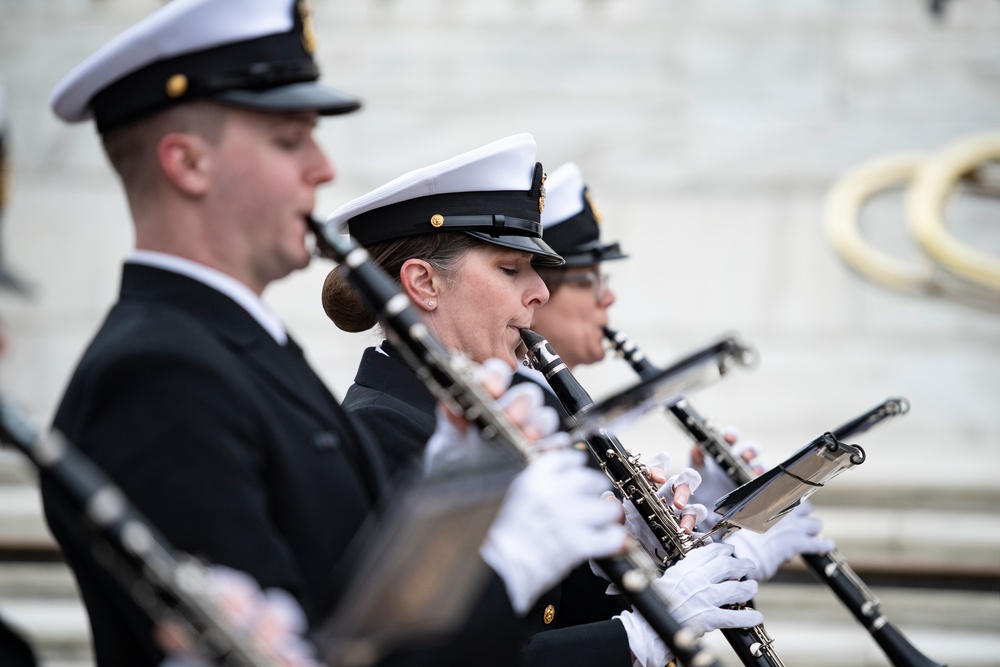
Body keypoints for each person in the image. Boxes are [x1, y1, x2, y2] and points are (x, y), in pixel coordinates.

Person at [39, 2, 625, 665]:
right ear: (188, 162)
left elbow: (353, 612)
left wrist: (458, 518)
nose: (321, 168)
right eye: (290, 140)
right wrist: (501, 561)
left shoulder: (242, 350)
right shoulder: (155, 373)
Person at [321, 134, 766, 667]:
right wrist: (639, 637)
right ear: (423, 283)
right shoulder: (382, 434)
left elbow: (542, 618)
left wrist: (612, 563)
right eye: (511, 269)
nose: (541, 292)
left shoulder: (483, 424)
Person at [528, 161, 837, 584]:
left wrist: (713, 516)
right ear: (539, 293)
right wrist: (738, 553)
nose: (608, 296)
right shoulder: (534, 413)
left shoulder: (558, 403)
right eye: (589, 280)